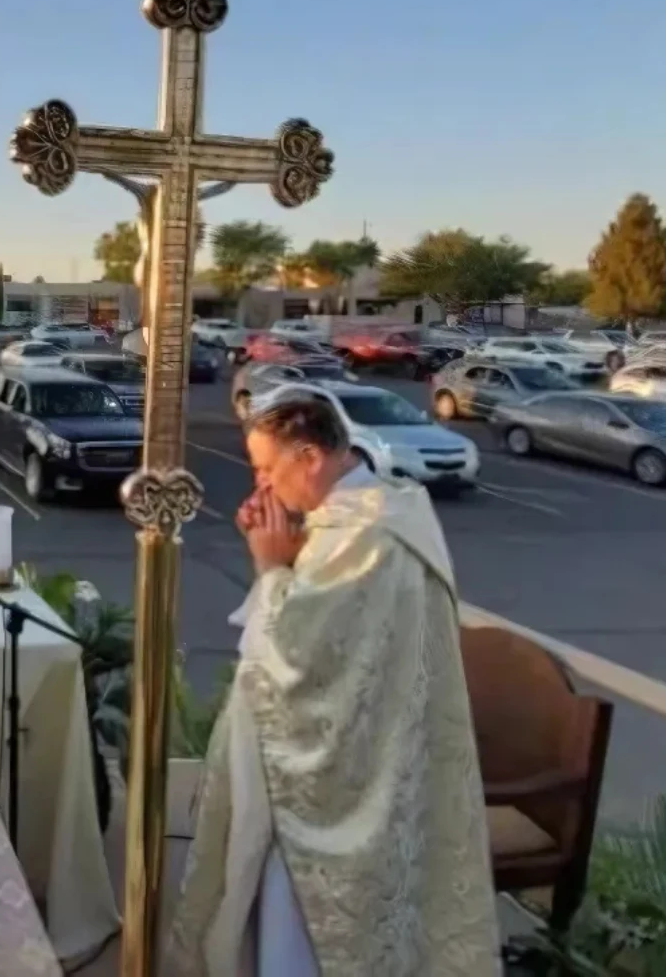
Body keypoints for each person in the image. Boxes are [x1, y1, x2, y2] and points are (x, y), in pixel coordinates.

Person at [165, 395, 499, 976]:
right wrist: (290, 552)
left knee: (303, 930)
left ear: (312, 457)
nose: (260, 481)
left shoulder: (364, 536)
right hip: (368, 752)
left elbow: (292, 662)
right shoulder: (389, 509)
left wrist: (271, 565)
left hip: (340, 781)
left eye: (267, 467)